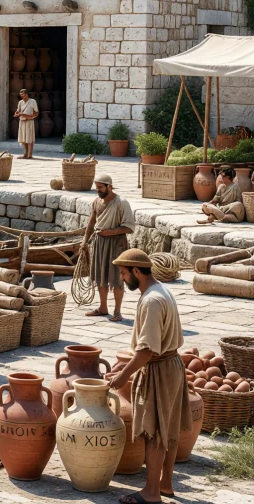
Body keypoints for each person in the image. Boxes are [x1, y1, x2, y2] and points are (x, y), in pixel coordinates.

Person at [105, 248, 191, 504]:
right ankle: (165, 484)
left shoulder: (152, 301)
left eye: (123, 273)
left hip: (160, 370)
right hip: (173, 365)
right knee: (169, 430)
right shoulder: (161, 289)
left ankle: (151, 493)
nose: (122, 279)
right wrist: (125, 369)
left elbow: (146, 351)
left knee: (154, 432)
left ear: (135, 271)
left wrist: (122, 376)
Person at [86, 173, 135, 322]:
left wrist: (110, 232)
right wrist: (84, 242)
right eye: (97, 187)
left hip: (117, 243)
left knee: (117, 277)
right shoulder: (96, 202)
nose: (98, 190)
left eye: (100, 187)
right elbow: (91, 223)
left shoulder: (121, 202)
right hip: (100, 242)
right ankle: (103, 308)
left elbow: (129, 227)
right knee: (101, 276)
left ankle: (117, 311)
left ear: (110, 186)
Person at [14, 88, 38, 159]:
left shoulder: (32, 101)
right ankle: (25, 154)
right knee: (23, 138)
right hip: (22, 121)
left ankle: (30, 154)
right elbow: (18, 111)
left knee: (29, 138)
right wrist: (17, 113)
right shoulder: (20, 102)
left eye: (23, 95)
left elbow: (36, 112)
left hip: (29, 121)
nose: (22, 97)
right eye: (21, 95)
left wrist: (29, 116)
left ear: (27, 95)